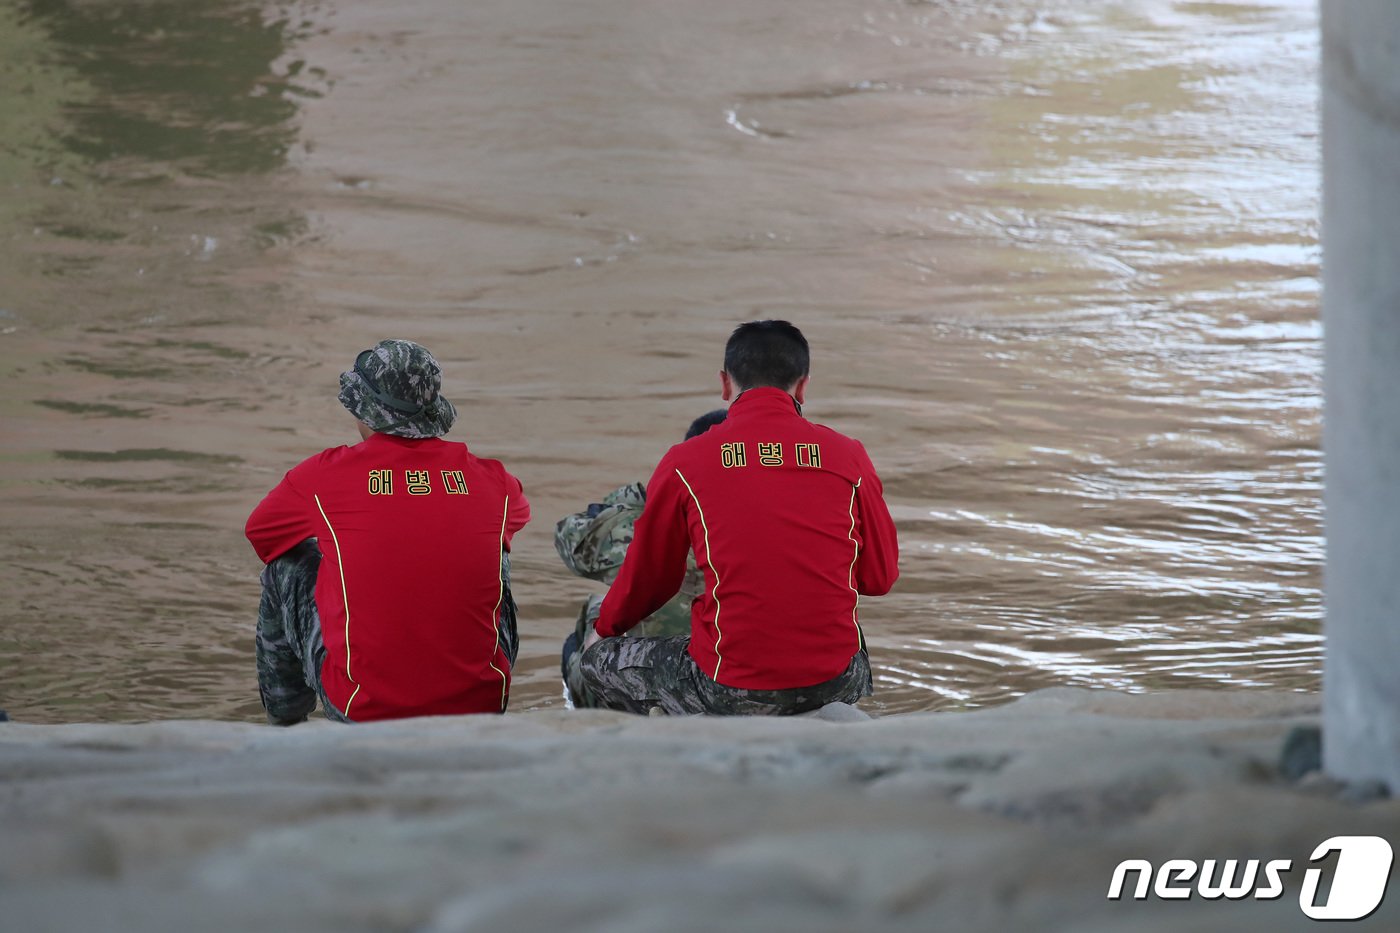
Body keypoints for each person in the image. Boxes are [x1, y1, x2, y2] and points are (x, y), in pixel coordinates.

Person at [565, 320, 899, 715]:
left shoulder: (686, 461)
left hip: (729, 683)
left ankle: (665, 731)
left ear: (725, 384)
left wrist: (603, 632)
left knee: (595, 658)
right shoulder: (848, 455)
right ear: (803, 386)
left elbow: (651, 579)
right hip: (838, 678)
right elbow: (880, 578)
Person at [244, 339, 529, 724]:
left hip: (363, 710)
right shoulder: (496, 481)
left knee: (288, 562)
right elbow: (512, 521)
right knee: (495, 552)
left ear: (364, 411)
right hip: (481, 706)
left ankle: (285, 725)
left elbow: (262, 535)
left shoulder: (322, 476)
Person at [556, 410, 727, 705]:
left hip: (669, 684)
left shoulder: (640, 525)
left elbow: (569, 539)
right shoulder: (779, 525)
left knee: (591, 617)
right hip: (750, 676)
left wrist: (644, 496)